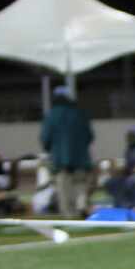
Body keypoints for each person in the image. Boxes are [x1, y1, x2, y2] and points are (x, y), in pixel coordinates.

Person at [40, 86, 94, 217]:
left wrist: (51, 149)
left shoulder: (51, 115)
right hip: (81, 158)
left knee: (64, 188)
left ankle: (70, 214)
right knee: (80, 184)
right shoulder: (79, 113)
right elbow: (90, 136)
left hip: (60, 159)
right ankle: (81, 205)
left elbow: (45, 138)